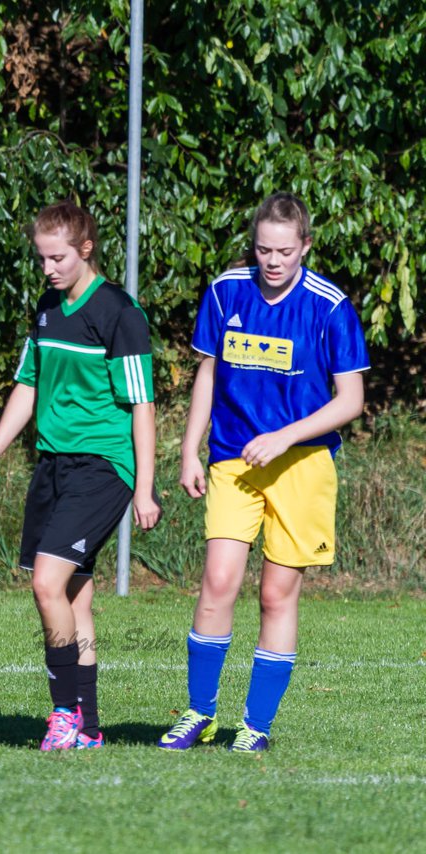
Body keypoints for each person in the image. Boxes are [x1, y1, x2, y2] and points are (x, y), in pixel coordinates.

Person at [157, 192, 368, 753]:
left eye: (284, 251)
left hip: (302, 465)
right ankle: (198, 714)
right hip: (232, 460)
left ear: (305, 245)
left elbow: (350, 400)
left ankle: (255, 727)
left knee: (277, 595)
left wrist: (284, 437)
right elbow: (208, 372)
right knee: (218, 582)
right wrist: (187, 450)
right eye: (262, 249)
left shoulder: (329, 306)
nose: (272, 261)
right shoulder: (227, 290)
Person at [0, 201, 160, 750]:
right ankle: (91, 728)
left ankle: (63, 714)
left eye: (58, 258)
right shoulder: (47, 307)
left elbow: (142, 404)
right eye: (42, 258)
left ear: (86, 249)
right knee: (74, 596)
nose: (48, 268)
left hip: (103, 467)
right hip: (52, 466)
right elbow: (27, 386)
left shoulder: (119, 313)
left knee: (45, 583)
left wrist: (144, 486)